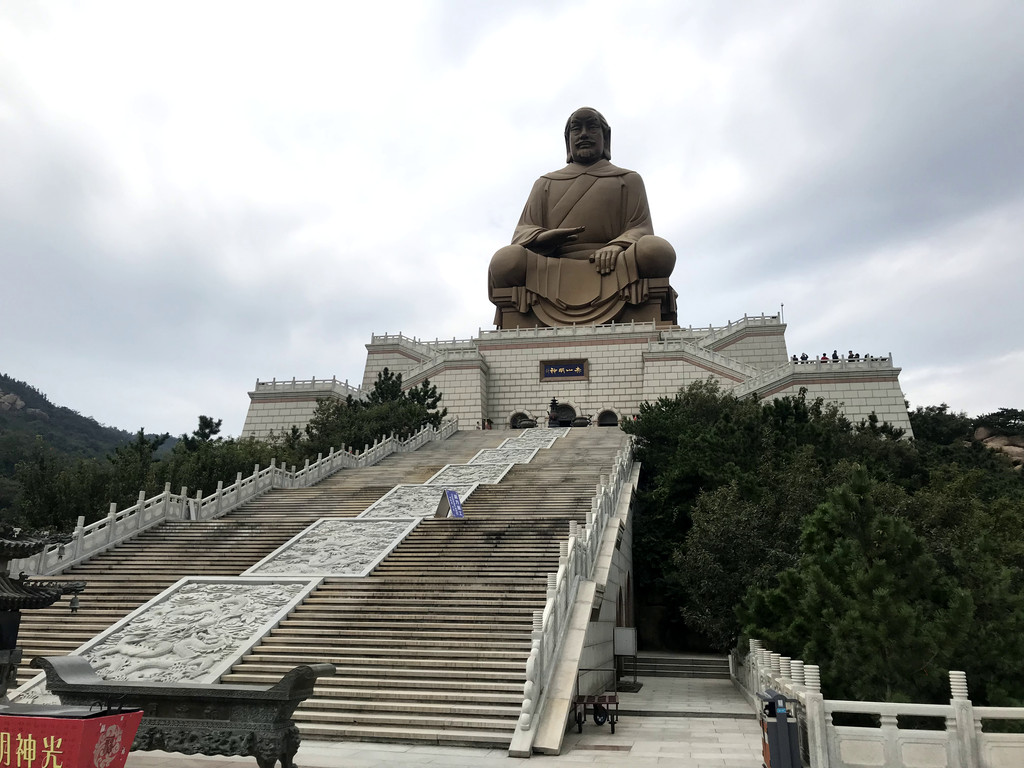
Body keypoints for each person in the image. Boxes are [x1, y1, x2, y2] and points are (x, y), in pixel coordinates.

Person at [489, 107, 676, 327]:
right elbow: (523, 232)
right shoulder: (545, 183)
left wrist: (617, 246)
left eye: (591, 127)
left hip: (614, 266)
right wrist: (543, 239)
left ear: (605, 137)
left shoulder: (627, 179)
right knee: (505, 260)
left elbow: (640, 228)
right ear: (567, 140)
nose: (583, 134)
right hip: (552, 267)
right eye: (576, 129)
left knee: (656, 250)